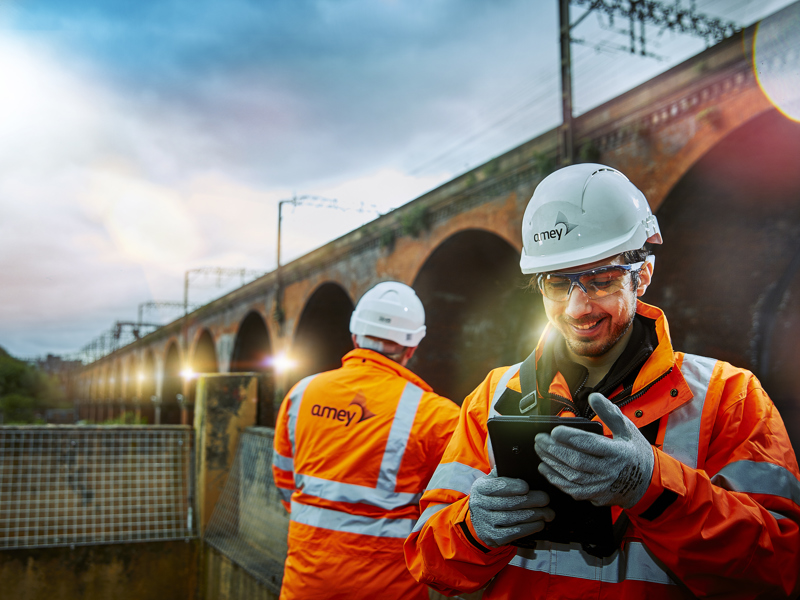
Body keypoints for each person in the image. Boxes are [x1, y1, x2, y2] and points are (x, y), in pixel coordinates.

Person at [404, 163, 800, 599]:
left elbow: (779, 569)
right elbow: (429, 559)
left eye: (601, 280)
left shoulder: (729, 396)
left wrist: (651, 485)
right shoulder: (495, 396)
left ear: (642, 275)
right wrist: (474, 529)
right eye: (558, 283)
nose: (577, 308)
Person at [272, 281, 460, 600]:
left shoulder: (301, 394)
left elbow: (285, 482)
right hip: (390, 587)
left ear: (355, 336)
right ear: (411, 347)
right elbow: (454, 508)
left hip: (306, 582)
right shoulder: (437, 415)